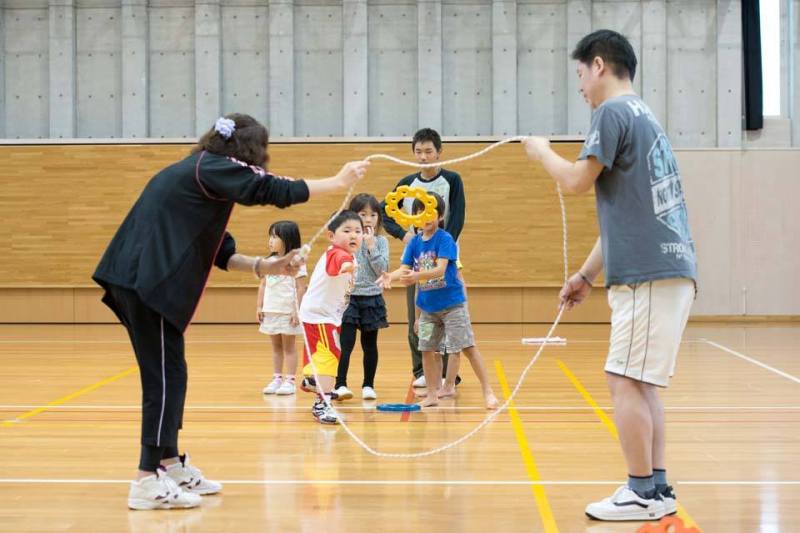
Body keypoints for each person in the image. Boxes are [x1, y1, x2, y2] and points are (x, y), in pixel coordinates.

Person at [92, 113, 368, 510]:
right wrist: (338, 183)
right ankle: (145, 478)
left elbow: (218, 249)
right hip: (143, 279)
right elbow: (268, 188)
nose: (262, 159)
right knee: (164, 378)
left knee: (172, 373)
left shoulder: (203, 179)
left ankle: (168, 463)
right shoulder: (210, 166)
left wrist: (267, 266)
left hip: (139, 279)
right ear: (246, 150)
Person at [522, 30, 696, 522]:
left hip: (648, 271)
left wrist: (541, 153)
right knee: (641, 383)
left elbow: (577, 181)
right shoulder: (645, 117)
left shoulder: (613, 112)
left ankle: (640, 490)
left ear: (598, 65)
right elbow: (625, 214)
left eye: (580, 74)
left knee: (622, 379)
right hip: (666, 268)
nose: (580, 87)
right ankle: (657, 489)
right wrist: (585, 274)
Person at [378, 193, 498, 410]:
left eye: (431, 212)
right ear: (414, 216)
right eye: (420, 212)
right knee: (426, 349)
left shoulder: (445, 239)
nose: (426, 217)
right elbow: (405, 268)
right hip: (427, 309)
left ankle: (488, 391)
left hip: (452, 305)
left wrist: (416, 276)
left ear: (440, 216)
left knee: (468, 347)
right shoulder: (414, 243)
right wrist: (391, 277)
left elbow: (440, 269)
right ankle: (432, 394)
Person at [380, 128, 465, 388]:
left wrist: (441, 250)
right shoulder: (406, 184)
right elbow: (386, 213)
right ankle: (420, 370)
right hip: (416, 260)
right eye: (419, 152)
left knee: (449, 315)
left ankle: (450, 373)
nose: (424, 157)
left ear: (439, 152)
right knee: (417, 316)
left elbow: (458, 218)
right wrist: (404, 237)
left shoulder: (452, 180)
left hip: (444, 259)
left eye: (428, 151)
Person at [298, 211, 363, 424]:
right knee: (329, 357)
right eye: (347, 231)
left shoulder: (348, 254)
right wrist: (347, 266)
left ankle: (314, 382)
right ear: (331, 236)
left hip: (324, 316)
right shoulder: (337, 254)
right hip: (320, 316)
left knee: (328, 354)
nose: (353, 235)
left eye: (358, 231)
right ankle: (321, 403)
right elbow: (341, 264)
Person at [333, 194, 390, 401]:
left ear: (378, 218)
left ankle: (368, 385)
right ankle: (340, 384)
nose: (368, 219)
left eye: (373, 214)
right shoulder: (345, 241)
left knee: (370, 345)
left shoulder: (381, 242)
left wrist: (371, 245)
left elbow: (382, 270)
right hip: (348, 299)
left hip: (372, 299)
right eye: (362, 214)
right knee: (345, 344)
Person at [258, 221, 307, 396]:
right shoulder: (267, 261)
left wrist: (297, 310)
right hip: (271, 311)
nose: (270, 241)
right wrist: (260, 306)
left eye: (274, 237)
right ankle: (277, 378)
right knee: (276, 347)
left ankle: (290, 380)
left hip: (288, 312)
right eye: (270, 236)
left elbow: (302, 287)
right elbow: (263, 285)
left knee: (289, 347)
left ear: (287, 239)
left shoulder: (296, 262)